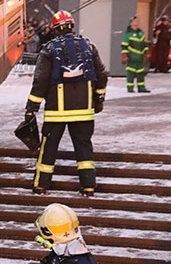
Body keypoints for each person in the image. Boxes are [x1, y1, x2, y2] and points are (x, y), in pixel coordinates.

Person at [23, 10, 108, 196]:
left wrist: (31, 108)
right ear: (72, 25)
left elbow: (40, 82)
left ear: (54, 29)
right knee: (84, 147)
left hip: (56, 113)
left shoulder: (49, 50)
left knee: (48, 148)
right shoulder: (89, 47)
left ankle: (41, 185)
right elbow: (102, 74)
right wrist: (98, 98)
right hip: (84, 111)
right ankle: (88, 186)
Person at [120, 17, 150, 93]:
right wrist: (124, 56)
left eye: (137, 21)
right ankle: (130, 88)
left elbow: (144, 45)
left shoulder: (141, 33)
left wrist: (146, 52)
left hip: (140, 57)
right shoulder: (128, 34)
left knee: (140, 73)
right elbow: (124, 46)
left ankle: (141, 88)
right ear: (131, 23)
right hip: (131, 57)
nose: (136, 23)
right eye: (134, 21)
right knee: (130, 73)